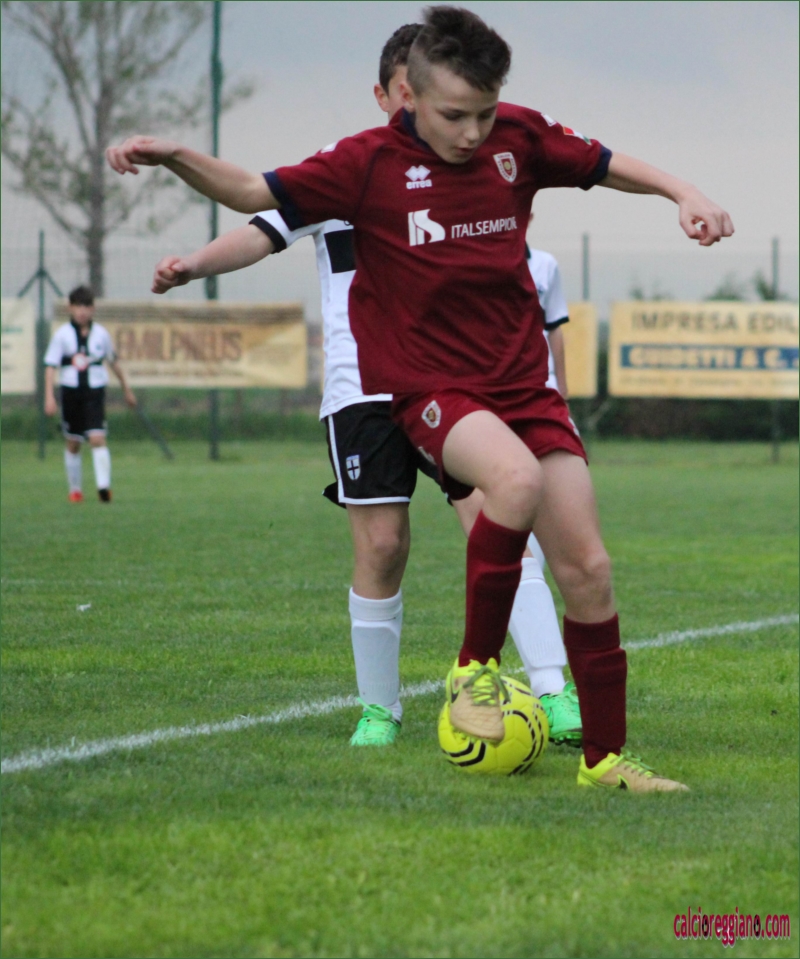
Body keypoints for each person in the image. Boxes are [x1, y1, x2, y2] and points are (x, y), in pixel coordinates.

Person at [107, 5, 734, 791]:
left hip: (523, 384)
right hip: (430, 387)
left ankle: (605, 761)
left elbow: (605, 163)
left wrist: (684, 191)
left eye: (485, 113)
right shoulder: (365, 162)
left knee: (589, 568)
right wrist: (174, 156)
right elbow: (250, 192)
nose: (473, 132)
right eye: (454, 115)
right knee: (512, 482)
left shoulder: (518, 137)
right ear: (410, 95)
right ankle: (473, 667)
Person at [147, 23, 582, 748]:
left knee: (498, 521)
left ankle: (552, 688)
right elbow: (261, 226)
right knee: (382, 544)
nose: (412, 101)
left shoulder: (466, 165)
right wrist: (194, 264)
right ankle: (380, 709)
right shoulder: (346, 168)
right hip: (362, 391)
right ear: (386, 93)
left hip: (452, 380)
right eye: (402, 89)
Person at [44, 285, 137, 503]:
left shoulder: (101, 334)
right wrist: (49, 396)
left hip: (94, 393)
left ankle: (104, 488)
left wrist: (127, 389)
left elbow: (114, 362)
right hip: (70, 393)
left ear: (93, 308)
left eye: (86, 306)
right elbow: (50, 366)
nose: (82, 311)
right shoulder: (62, 335)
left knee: (97, 438)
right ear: (70, 308)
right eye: (78, 306)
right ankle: (75, 489)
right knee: (73, 442)